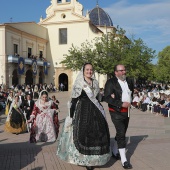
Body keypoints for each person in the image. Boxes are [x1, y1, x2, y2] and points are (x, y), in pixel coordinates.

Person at [57, 63, 111, 170]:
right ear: (83, 71)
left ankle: (95, 158)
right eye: (87, 69)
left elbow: (98, 98)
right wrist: (71, 116)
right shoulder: (79, 83)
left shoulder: (95, 82)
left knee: (97, 133)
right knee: (83, 133)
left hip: (95, 111)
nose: (89, 71)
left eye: (91, 70)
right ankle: (86, 160)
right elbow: (74, 99)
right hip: (82, 110)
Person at [104, 64, 134, 169]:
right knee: (121, 133)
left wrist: (130, 102)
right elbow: (107, 98)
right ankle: (124, 160)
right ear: (116, 72)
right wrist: (120, 103)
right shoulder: (111, 82)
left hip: (127, 111)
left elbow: (131, 93)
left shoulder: (129, 81)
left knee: (122, 132)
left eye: (124, 70)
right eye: (121, 70)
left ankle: (114, 150)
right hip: (116, 111)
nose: (123, 72)